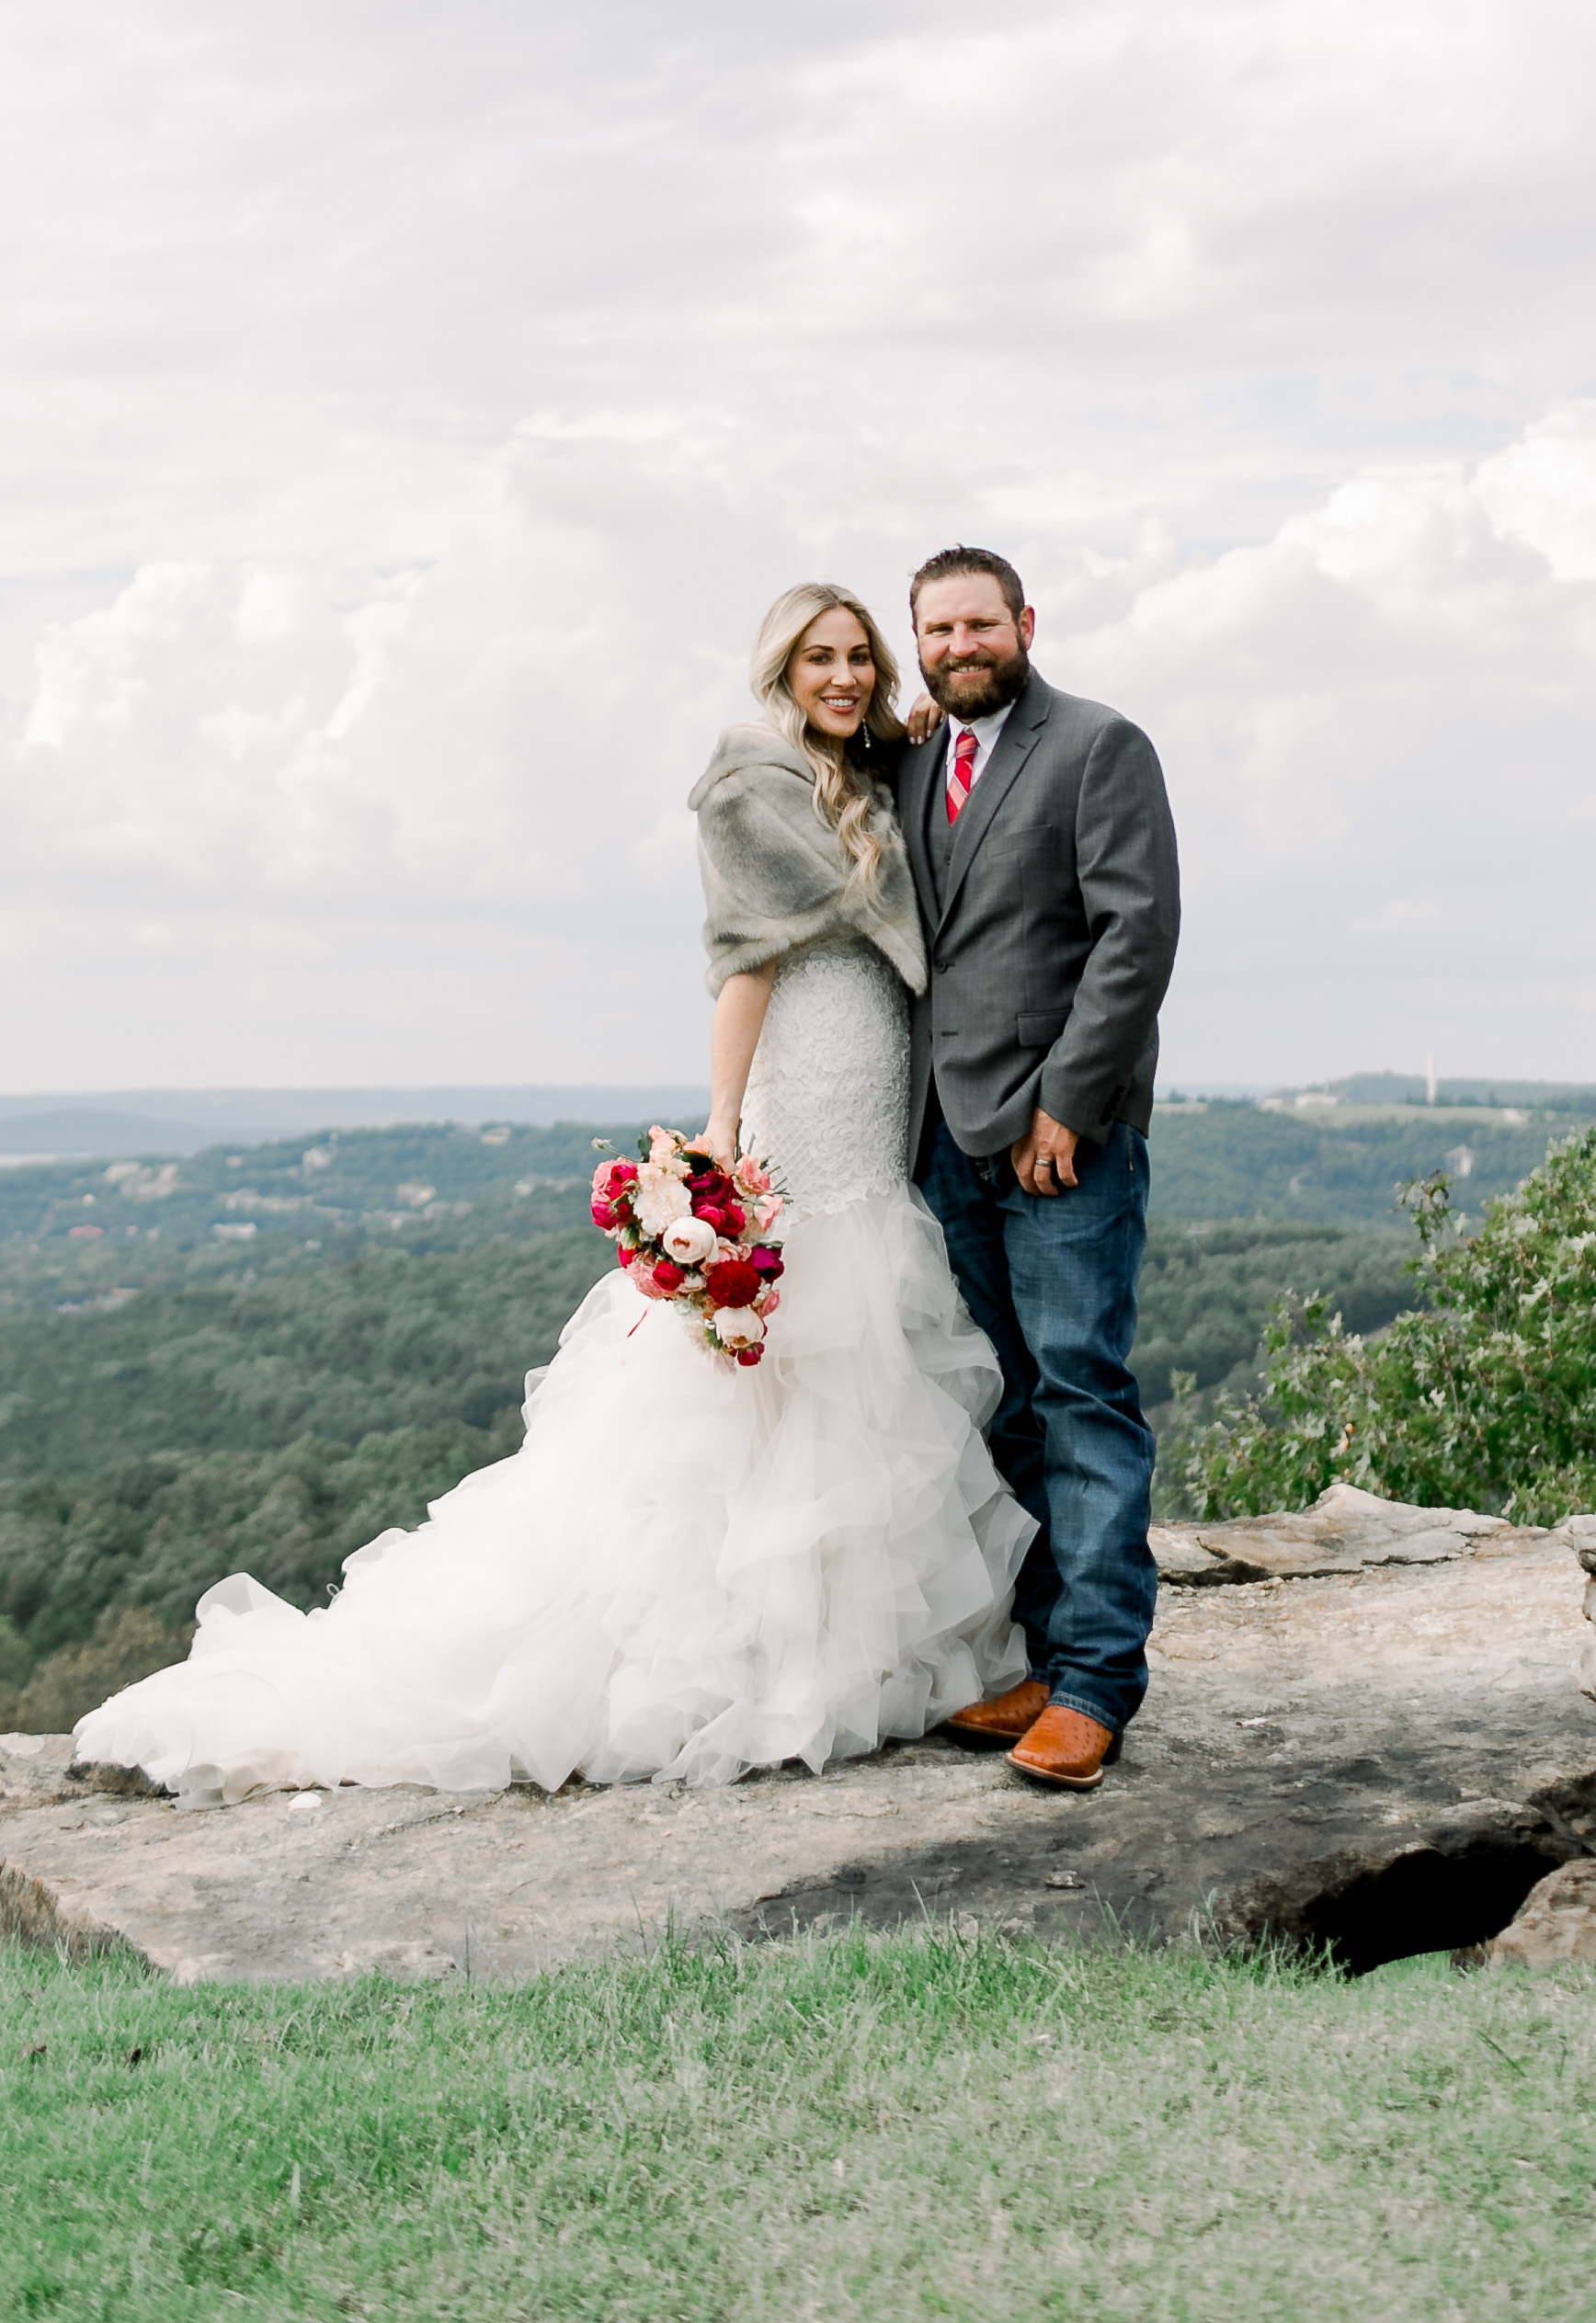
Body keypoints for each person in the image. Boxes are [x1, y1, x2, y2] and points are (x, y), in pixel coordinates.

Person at [68, 582, 1030, 1798]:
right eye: (815, 658)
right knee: (787, 1353)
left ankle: (864, 1633)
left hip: (877, 1077)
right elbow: (746, 963)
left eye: (855, 657)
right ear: (779, 673)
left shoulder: (875, 770)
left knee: (863, 1349)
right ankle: (759, 1655)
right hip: (803, 1071)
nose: (839, 676)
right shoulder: (753, 783)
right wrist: (725, 1125)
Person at [896, 546, 1180, 1793]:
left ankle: (1097, 1687)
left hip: (1062, 1138)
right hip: (944, 1138)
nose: (958, 646)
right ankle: (1041, 1659)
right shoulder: (913, 759)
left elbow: (1135, 931)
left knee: (1080, 1395)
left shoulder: (1097, 745)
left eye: (976, 624)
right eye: (935, 630)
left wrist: (1069, 1099)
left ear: (1022, 622)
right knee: (1004, 1403)